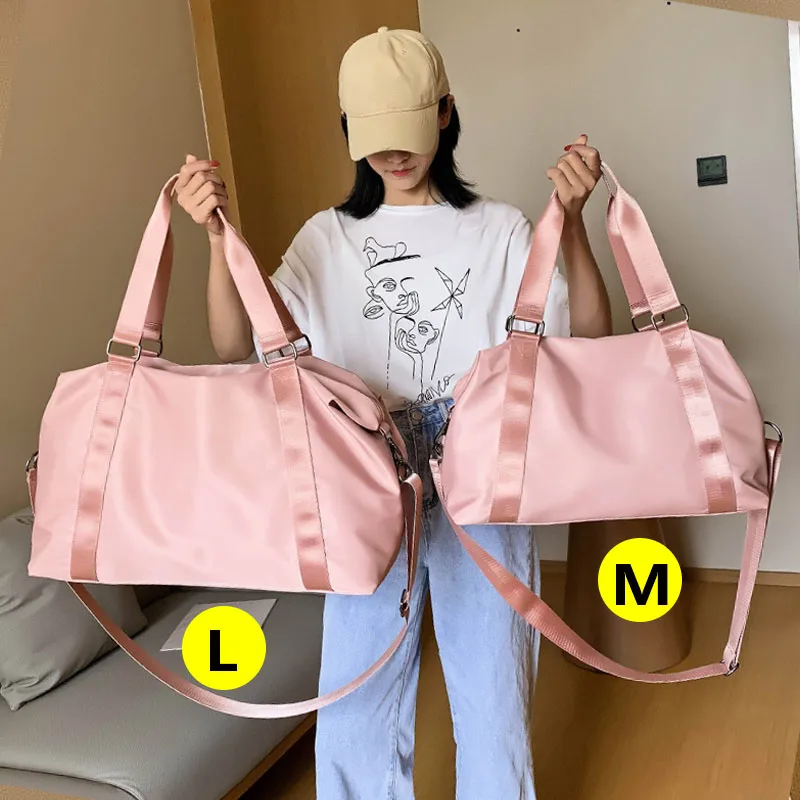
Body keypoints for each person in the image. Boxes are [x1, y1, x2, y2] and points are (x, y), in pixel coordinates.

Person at [175, 26, 611, 800]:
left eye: (407, 130)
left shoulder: (500, 229)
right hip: (364, 473)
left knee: (495, 698)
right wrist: (216, 238)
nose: (393, 155)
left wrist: (571, 223)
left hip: (480, 466)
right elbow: (235, 343)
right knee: (356, 703)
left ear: (445, 113)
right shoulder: (325, 240)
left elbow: (591, 338)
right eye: (372, 136)